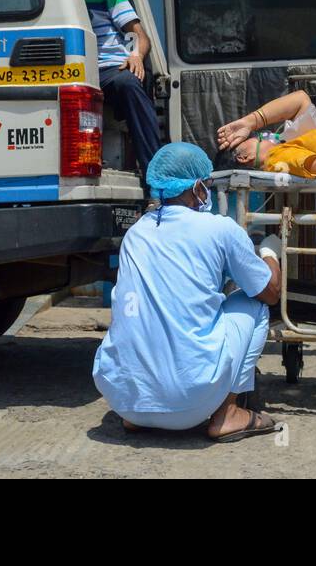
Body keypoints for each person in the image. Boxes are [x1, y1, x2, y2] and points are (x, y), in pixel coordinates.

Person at [92, 142, 282, 442]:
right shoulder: (219, 229)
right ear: (197, 188)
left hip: (123, 400)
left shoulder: (136, 233)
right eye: (206, 185)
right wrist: (271, 252)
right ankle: (228, 414)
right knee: (253, 305)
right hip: (191, 401)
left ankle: (139, 415)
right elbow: (269, 293)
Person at [71, 0, 162, 173]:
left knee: (128, 83)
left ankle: (155, 175)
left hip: (109, 69)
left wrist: (136, 55)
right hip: (71, 71)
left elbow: (140, 36)